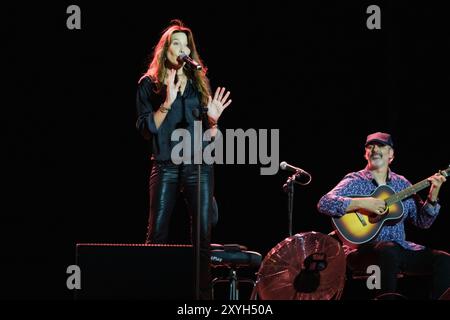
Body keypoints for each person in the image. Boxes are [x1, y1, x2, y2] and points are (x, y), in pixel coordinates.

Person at [135, 20, 231, 300]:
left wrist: (213, 122)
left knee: (202, 237)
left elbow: (214, 141)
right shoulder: (149, 85)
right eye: (175, 43)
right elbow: (146, 129)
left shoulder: (199, 84)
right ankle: (151, 289)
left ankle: (202, 297)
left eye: (185, 44)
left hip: (198, 165)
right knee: (157, 233)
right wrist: (167, 100)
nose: (181, 48)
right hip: (165, 163)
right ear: (165, 50)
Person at [317, 132, 449, 299]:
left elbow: (423, 222)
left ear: (391, 154)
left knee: (444, 260)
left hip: (399, 248)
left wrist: (433, 196)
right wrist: (364, 203)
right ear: (365, 154)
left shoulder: (402, 183)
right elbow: (324, 203)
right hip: (362, 249)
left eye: (380, 146)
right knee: (388, 250)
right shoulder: (355, 180)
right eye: (370, 146)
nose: (374, 149)